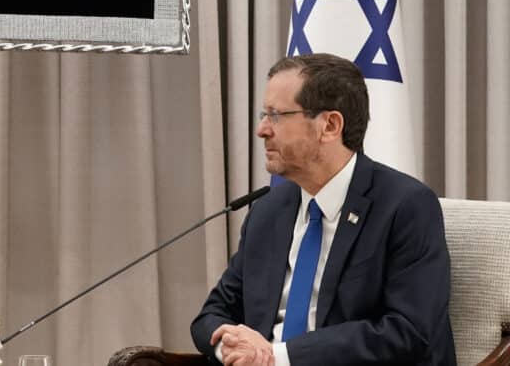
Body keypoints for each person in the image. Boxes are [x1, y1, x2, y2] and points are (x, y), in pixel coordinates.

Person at [191, 53, 455, 366]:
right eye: (264, 115)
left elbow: (409, 331)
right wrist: (233, 350)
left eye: (276, 116)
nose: (262, 130)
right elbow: (212, 313)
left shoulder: (405, 206)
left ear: (330, 125)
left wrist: (277, 356)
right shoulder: (269, 210)